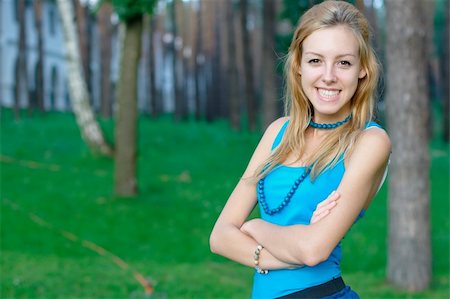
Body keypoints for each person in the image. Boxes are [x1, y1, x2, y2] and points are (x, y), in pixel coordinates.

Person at [209, 1, 391, 298]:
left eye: (343, 62)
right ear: (298, 67)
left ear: (362, 71)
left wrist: (254, 226)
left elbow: (313, 249)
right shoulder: (277, 133)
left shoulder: (370, 141)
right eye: (316, 61)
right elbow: (220, 237)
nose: (329, 76)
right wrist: (272, 258)